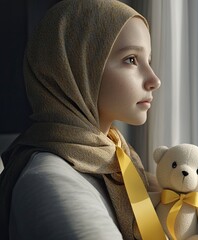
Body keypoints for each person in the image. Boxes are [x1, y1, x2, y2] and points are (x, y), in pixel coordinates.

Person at [0, 0, 165, 239]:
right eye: (131, 59)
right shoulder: (49, 182)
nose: (154, 80)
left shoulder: (116, 155)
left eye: (148, 61)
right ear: (75, 70)